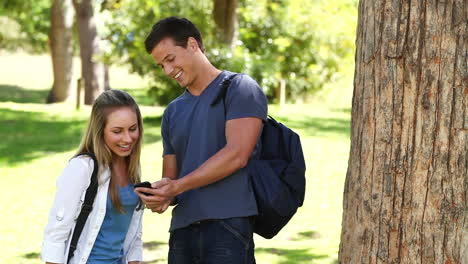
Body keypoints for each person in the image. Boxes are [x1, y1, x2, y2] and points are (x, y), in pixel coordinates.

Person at [135, 16, 267, 263]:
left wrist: (178, 186)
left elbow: (237, 155)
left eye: (170, 59)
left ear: (193, 45)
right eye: (161, 65)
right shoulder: (173, 111)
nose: (167, 70)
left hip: (228, 226)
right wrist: (162, 194)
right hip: (182, 230)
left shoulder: (240, 88)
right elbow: (173, 179)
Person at [41, 90, 144, 264]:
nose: (128, 138)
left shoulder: (132, 168)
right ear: (100, 131)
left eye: (133, 129)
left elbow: (134, 233)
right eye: (117, 131)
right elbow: (56, 235)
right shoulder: (82, 168)